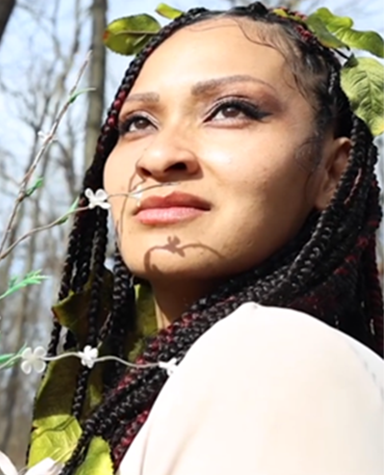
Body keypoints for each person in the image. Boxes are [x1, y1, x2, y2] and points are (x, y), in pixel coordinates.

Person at [28, 3, 384, 475]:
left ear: (333, 173)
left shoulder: (276, 356)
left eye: (230, 110)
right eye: (138, 123)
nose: (158, 156)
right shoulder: (157, 389)